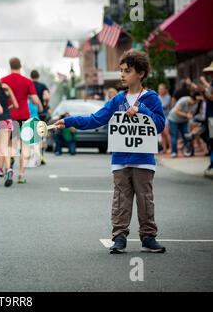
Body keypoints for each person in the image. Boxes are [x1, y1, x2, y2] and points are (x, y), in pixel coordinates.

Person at [54, 50, 166, 254]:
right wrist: (68, 121)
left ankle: (148, 236)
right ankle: (119, 236)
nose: (122, 75)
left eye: (127, 71)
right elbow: (95, 119)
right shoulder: (117, 101)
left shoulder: (151, 99)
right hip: (120, 159)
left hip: (143, 159)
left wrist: (143, 111)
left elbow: (159, 125)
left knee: (145, 198)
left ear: (140, 73)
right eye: (121, 71)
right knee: (121, 198)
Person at [0, 57, 43, 183]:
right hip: (24, 117)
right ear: (20, 66)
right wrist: (40, 106)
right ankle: (21, 174)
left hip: (9, 117)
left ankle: (9, 166)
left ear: (10, 65)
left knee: (9, 145)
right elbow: (35, 100)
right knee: (25, 145)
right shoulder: (27, 81)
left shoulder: (3, 81)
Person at [167, 90, 203, 157]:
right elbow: (176, 111)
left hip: (184, 121)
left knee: (186, 135)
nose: (194, 103)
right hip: (174, 119)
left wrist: (191, 114)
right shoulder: (183, 100)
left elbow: (193, 112)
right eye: (194, 101)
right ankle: (174, 152)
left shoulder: (196, 103)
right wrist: (186, 115)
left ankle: (188, 150)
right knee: (174, 136)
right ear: (191, 98)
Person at [30, 70, 50, 165]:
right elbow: (47, 96)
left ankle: (32, 154)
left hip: (31, 112)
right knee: (41, 134)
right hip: (41, 112)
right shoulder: (42, 86)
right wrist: (45, 104)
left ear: (31, 76)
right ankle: (41, 154)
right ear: (38, 76)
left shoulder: (29, 85)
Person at [158, 83, 172, 154]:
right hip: (160, 117)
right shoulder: (158, 97)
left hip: (166, 117)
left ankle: (171, 148)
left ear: (165, 90)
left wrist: (157, 104)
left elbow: (164, 105)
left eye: (162, 89)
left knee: (166, 133)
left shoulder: (168, 97)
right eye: (160, 89)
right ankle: (164, 149)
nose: (161, 90)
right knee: (162, 134)